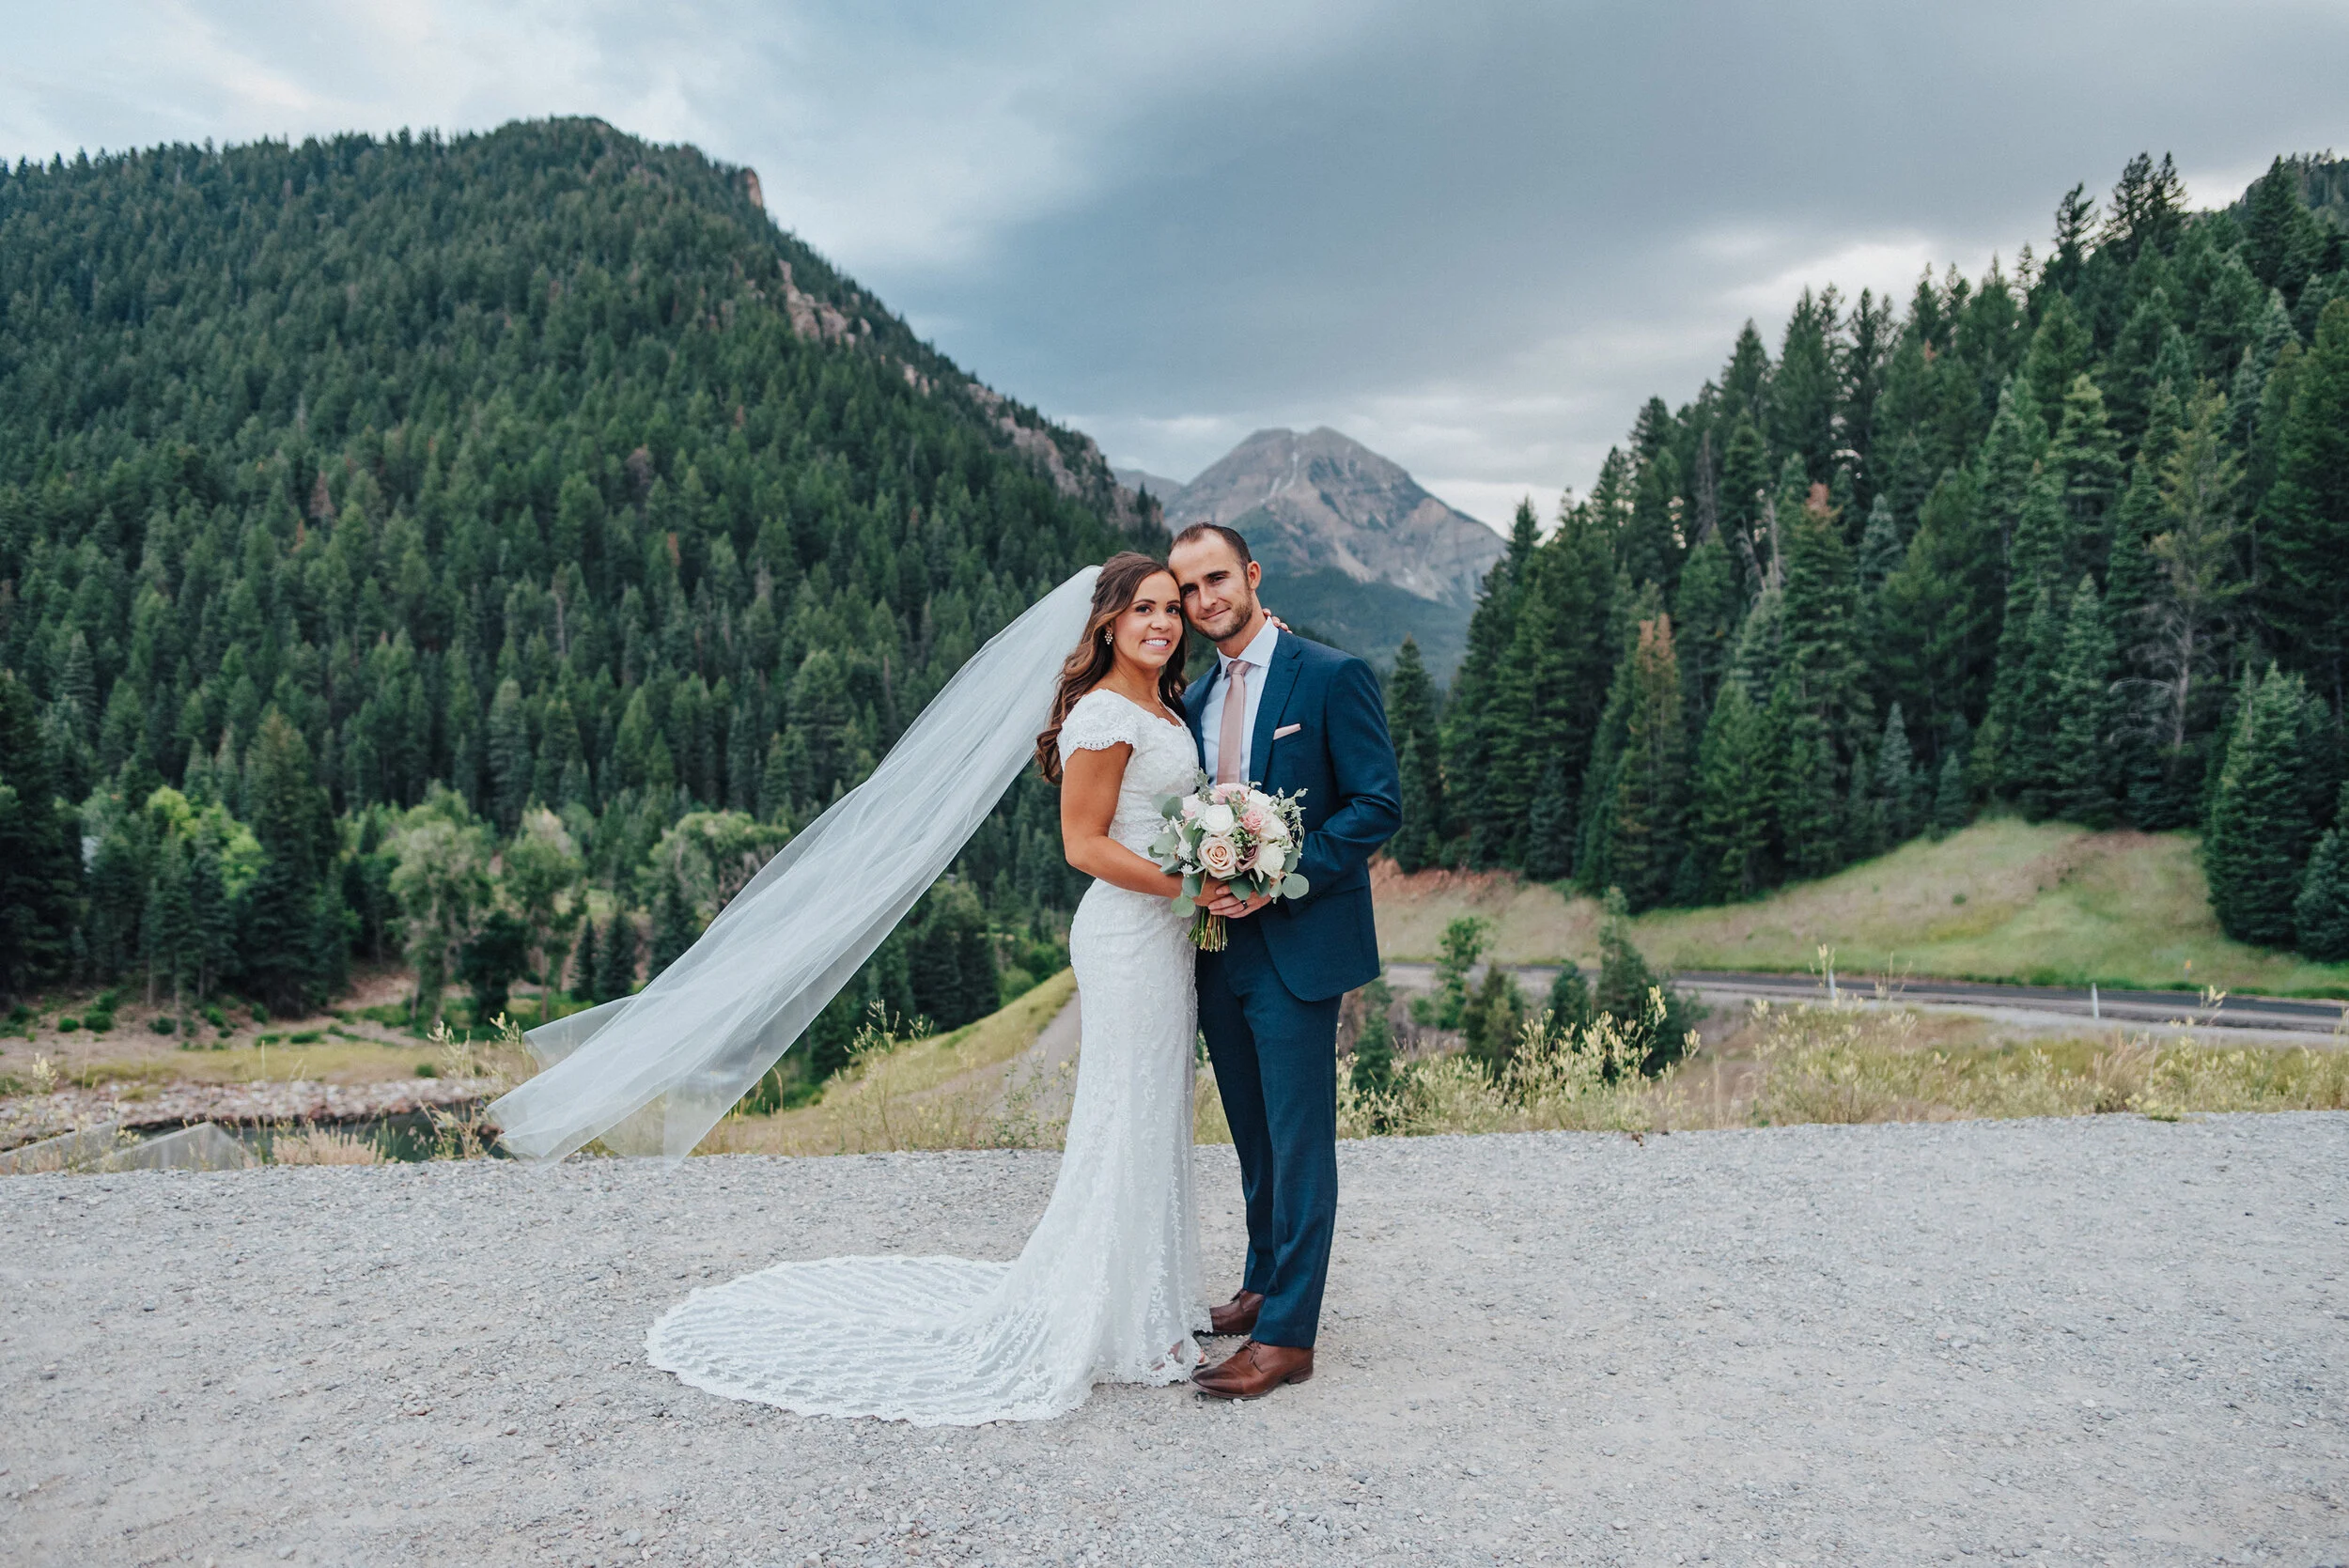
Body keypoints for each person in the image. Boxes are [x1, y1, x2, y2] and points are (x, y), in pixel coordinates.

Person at [618, 553, 1215, 1424]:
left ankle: (1148, 1301)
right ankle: (1111, 1315)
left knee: (1156, 1106)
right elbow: (1083, 845)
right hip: (1128, 934)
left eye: (1171, 608)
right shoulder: (1101, 713)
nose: (1162, 623)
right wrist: (1191, 883)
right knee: (1124, 1108)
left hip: (1165, 938)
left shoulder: (1162, 704)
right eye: (1143, 609)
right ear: (1107, 623)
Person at [1167, 523, 1402, 1399]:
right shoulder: (1193, 699)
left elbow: (1377, 803)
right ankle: (1262, 1283)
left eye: (1217, 578)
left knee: (1300, 1143)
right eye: (1189, 589)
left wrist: (1281, 875)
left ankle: (1289, 1336)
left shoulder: (1332, 675)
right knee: (1254, 1135)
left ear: (1252, 575)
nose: (1205, 599)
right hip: (1216, 947)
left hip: (1299, 942)